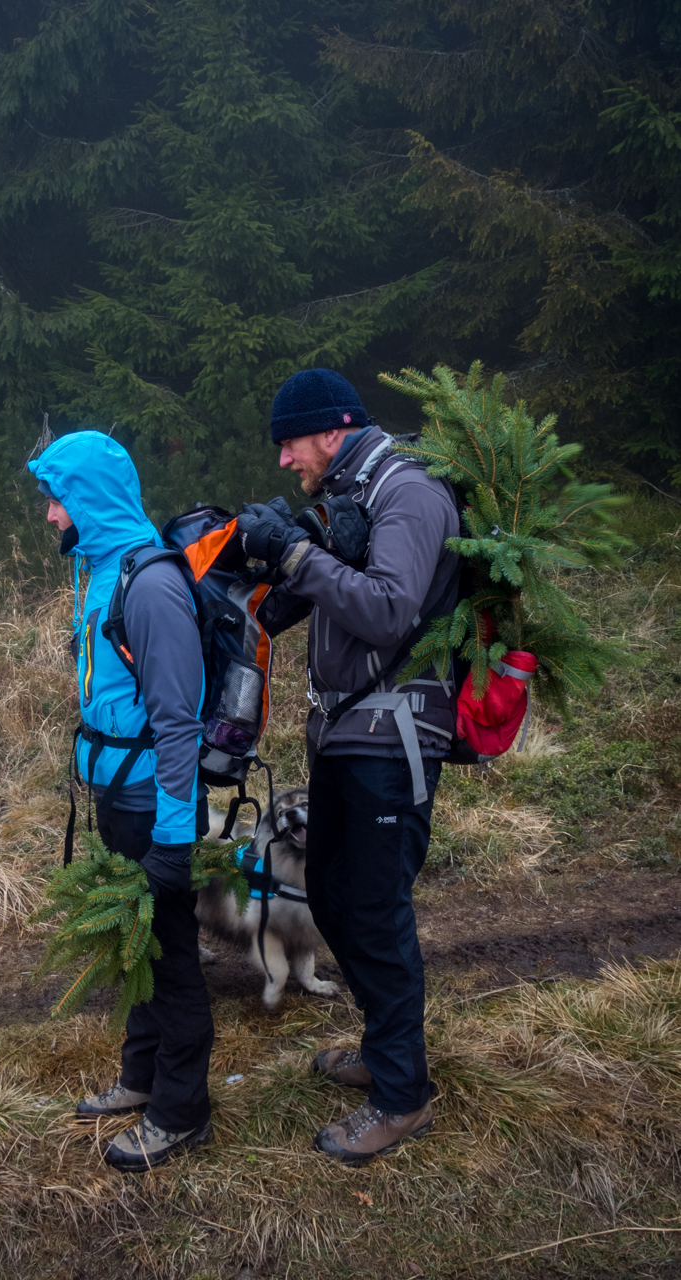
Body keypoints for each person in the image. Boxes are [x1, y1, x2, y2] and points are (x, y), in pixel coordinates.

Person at [237, 368, 461, 1167]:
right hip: (344, 735)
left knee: (373, 910)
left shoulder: (408, 492)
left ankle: (402, 1097)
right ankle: (385, 1049)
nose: (284, 459)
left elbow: (389, 607)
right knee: (331, 893)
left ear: (330, 430)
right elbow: (328, 594)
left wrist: (298, 554)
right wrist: (268, 569)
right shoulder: (350, 490)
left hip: (392, 739)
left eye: (289, 442)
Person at [28, 430, 213, 1173]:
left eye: (58, 499)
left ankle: (182, 1112)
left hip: (152, 801)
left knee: (170, 958)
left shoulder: (153, 584)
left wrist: (172, 838)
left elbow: (179, 723)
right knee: (135, 949)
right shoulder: (102, 568)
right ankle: (142, 1079)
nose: (50, 515)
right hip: (119, 793)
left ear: (90, 500)